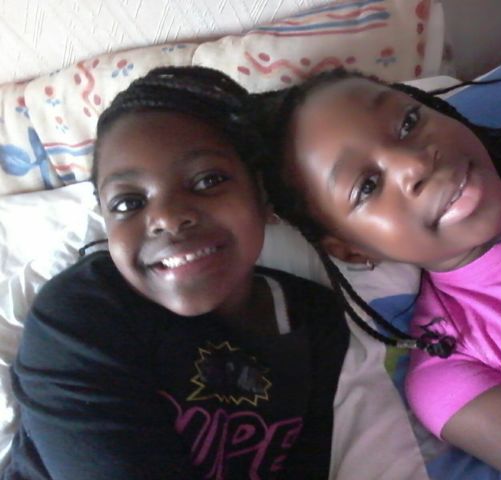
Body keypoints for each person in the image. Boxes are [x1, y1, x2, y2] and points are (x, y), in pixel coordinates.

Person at [257, 60, 501, 480]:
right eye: (366, 186)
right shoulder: (453, 375)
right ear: (350, 249)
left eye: (408, 122)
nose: (415, 164)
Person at [3, 66, 349, 480]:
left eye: (207, 180)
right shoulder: (79, 318)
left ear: (260, 191)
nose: (167, 217)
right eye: (128, 203)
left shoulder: (318, 322)